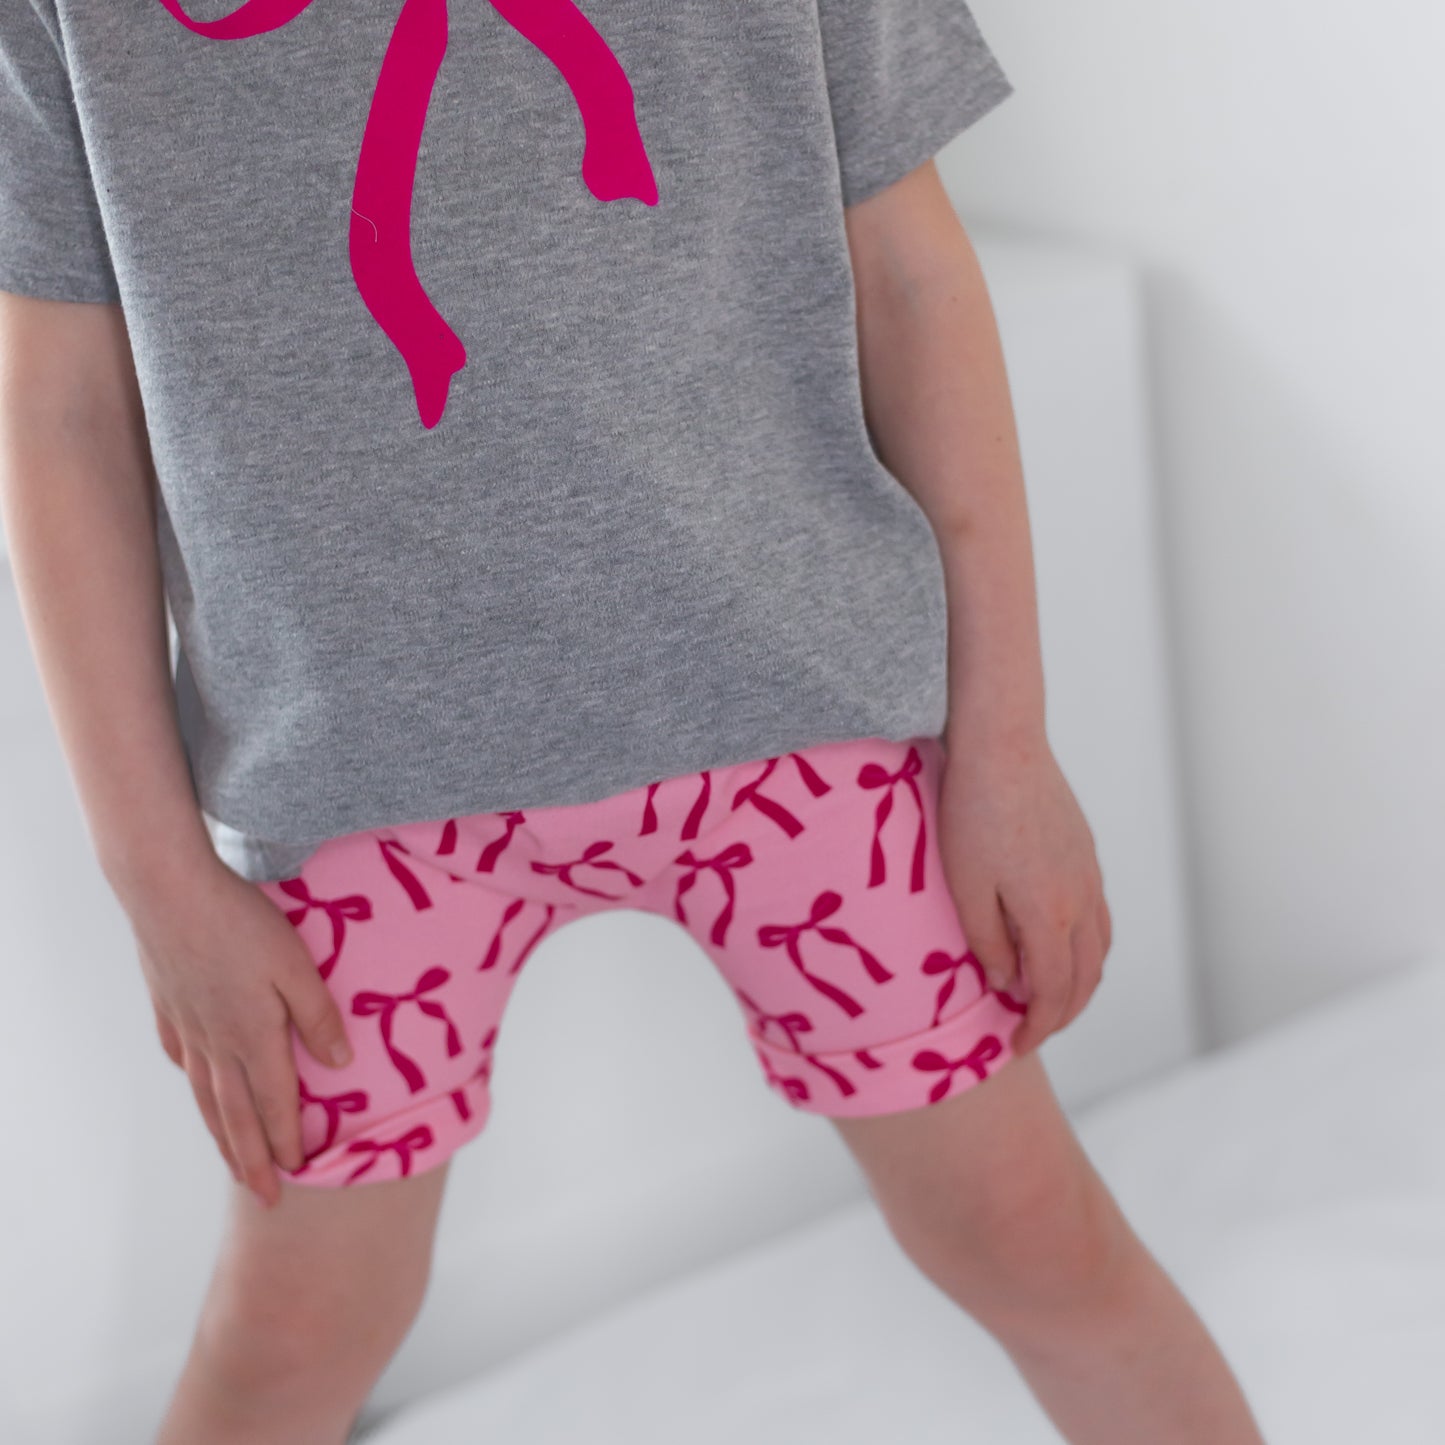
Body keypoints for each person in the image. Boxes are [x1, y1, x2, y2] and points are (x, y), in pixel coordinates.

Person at [0, 1, 1267, 1442]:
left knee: (1030, 1235)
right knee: (290, 1334)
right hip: (355, 792)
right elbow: (56, 409)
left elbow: (911, 274)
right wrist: (155, 876)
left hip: (802, 729)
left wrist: (1006, 747)